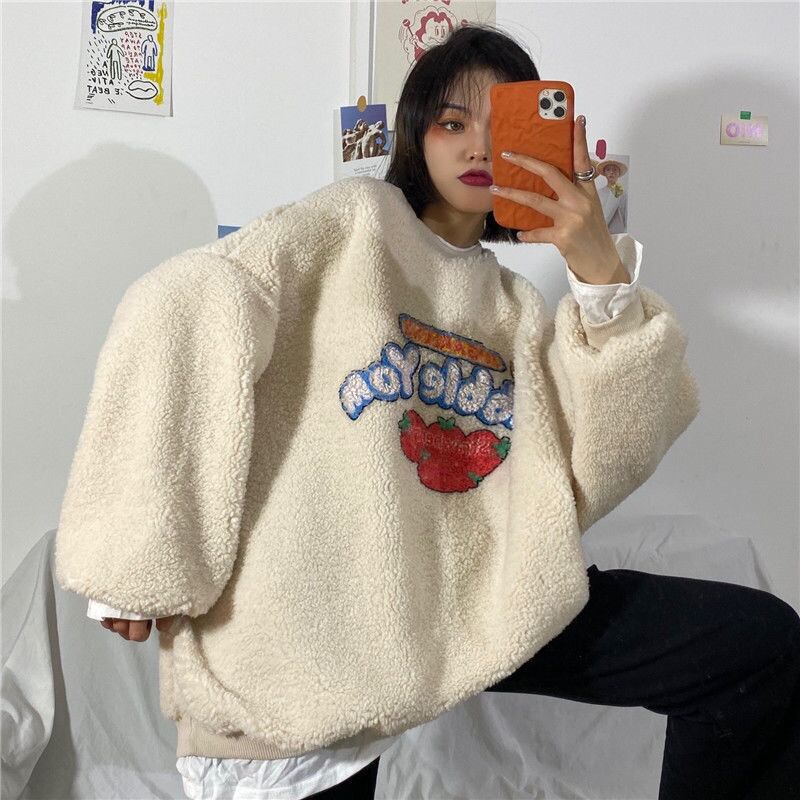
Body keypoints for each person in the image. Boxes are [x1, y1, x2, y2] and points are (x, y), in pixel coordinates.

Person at [57, 23, 799, 800]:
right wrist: (139, 557)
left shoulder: (516, 306)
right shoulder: (351, 222)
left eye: (501, 124)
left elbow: (594, 460)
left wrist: (598, 271)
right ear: (417, 138)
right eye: (452, 122)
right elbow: (191, 301)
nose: (477, 145)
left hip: (479, 601)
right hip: (332, 613)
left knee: (756, 646)